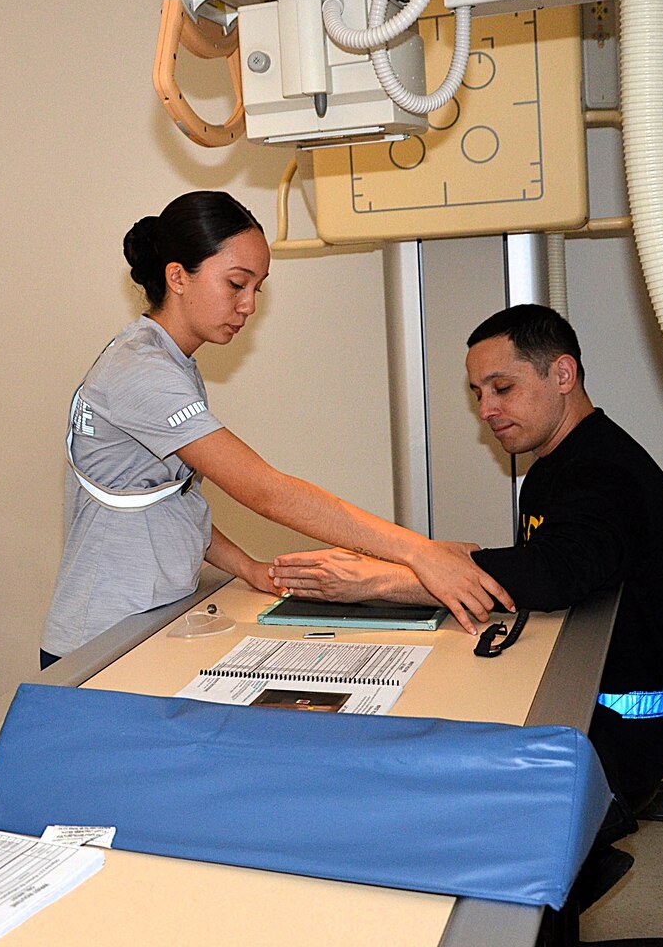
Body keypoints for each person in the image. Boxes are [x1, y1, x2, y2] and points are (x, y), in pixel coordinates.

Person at [272, 304, 663, 922]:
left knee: (455, 820)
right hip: (586, 703)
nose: (487, 410)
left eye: (503, 388)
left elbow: (555, 574)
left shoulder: (607, 471)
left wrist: (390, 581)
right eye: (477, 393)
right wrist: (441, 559)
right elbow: (546, 562)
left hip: (618, 733)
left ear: (563, 373)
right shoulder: (555, 467)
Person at [39, 190, 514, 665]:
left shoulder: (167, 360)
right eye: (236, 284)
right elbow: (265, 490)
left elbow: (167, 498)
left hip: (149, 621)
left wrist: (249, 568)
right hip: (96, 643)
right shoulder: (142, 371)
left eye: (256, 289)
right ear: (178, 276)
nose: (248, 305)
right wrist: (418, 552)